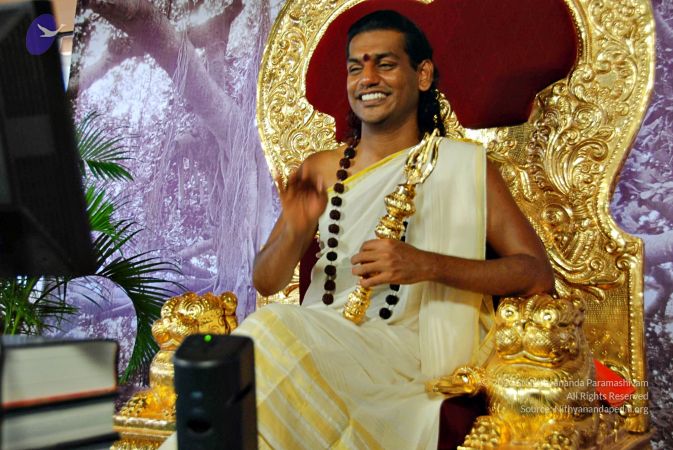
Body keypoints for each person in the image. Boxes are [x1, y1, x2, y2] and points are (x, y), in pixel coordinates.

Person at [161, 9, 554, 450]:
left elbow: (536, 273)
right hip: (320, 336)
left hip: (410, 355)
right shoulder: (320, 170)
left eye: (385, 64)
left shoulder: (465, 168)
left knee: (266, 336)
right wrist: (294, 228)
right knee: (268, 330)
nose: (367, 78)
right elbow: (267, 280)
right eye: (355, 67)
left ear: (423, 75)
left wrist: (426, 265)